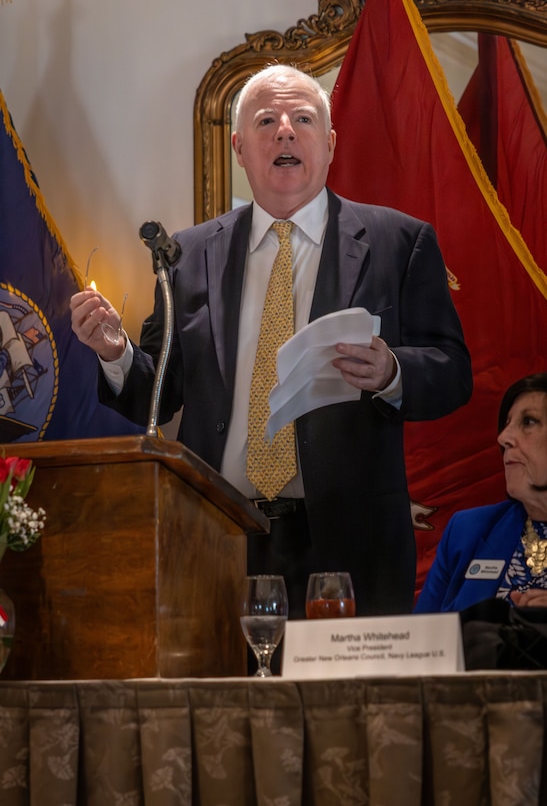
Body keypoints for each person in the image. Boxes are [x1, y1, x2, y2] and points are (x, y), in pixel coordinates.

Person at [70, 63, 472, 620]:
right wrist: (115, 354)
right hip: (219, 533)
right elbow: (156, 397)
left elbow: (454, 371)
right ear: (239, 148)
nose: (285, 131)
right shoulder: (188, 256)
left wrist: (392, 372)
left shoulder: (398, 242)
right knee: (220, 705)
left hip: (351, 544)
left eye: (302, 119)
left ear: (329, 144)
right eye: (266, 121)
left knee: (349, 709)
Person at [415, 372, 547, 613]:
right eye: (507, 424)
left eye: (528, 422)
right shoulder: (467, 531)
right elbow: (421, 643)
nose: (503, 437)